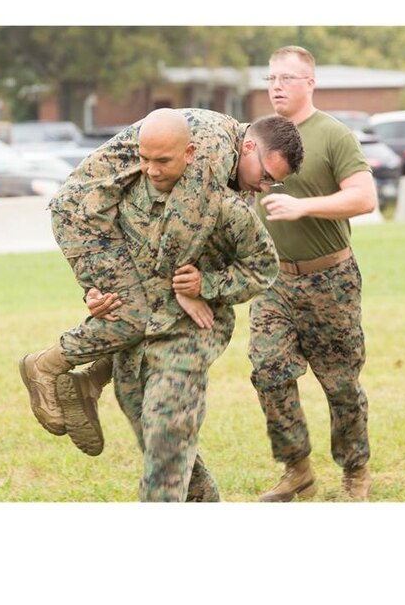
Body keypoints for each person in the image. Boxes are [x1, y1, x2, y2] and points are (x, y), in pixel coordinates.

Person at [19, 108, 304, 457]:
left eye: (273, 183)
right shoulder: (212, 150)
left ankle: (91, 381)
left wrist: (203, 285)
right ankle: (45, 366)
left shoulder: (229, 155)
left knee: (142, 311)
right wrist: (185, 292)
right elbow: (180, 229)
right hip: (87, 216)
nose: (263, 187)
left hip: (116, 218)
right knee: (137, 314)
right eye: (265, 175)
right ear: (248, 148)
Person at [249, 46, 377, 502]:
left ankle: (355, 471)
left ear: (310, 83)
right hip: (273, 282)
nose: (276, 86)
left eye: (286, 77)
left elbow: (364, 198)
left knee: (340, 384)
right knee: (268, 370)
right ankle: (296, 468)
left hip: (329, 280)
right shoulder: (256, 136)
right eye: (270, 78)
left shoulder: (334, 135)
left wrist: (304, 206)